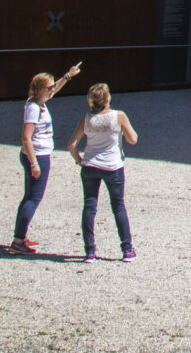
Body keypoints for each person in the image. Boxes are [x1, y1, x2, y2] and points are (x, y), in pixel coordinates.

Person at [13, 61, 80, 254]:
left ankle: (20, 236)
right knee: (34, 199)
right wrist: (34, 163)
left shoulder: (38, 102)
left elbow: (55, 88)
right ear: (40, 89)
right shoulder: (34, 108)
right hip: (37, 156)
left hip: (37, 155)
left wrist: (68, 75)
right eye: (49, 88)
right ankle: (18, 241)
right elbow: (26, 137)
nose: (52, 90)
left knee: (28, 197)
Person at [67, 82, 138, 263]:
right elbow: (133, 139)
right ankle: (127, 249)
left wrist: (79, 159)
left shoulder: (86, 119)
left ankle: (90, 251)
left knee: (90, 207)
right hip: (112, 166)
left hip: (90, 165)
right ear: (108, 99)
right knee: (118, 206)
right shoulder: (118, 116)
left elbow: (71, 145)